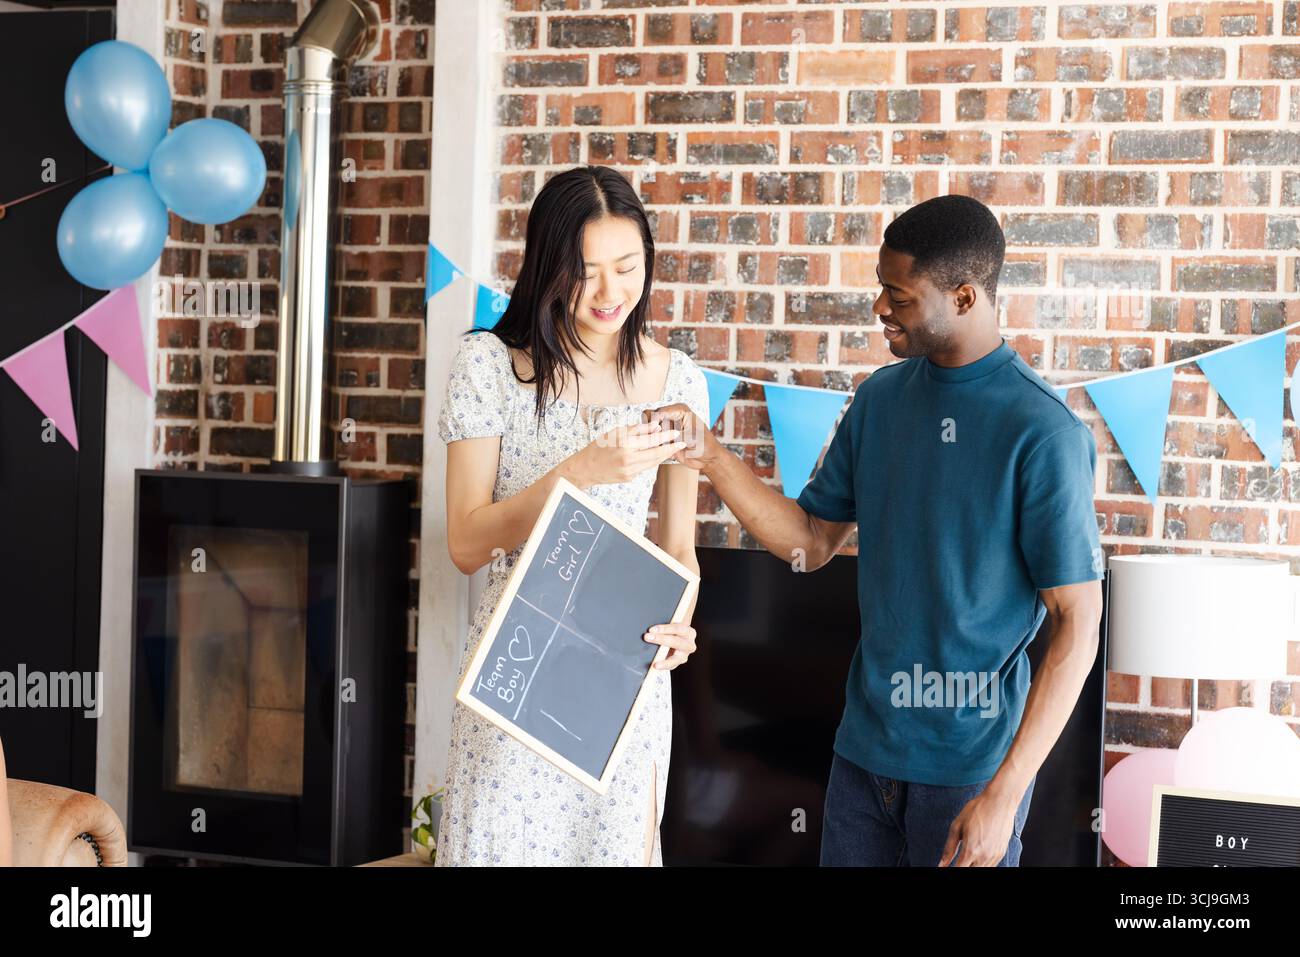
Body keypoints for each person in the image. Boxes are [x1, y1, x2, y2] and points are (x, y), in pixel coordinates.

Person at [649, 194, 1105, 867]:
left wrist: (1005, 795)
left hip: (968, 774)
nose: (880, 308)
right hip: (861, 762)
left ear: (966, 295)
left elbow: (1078, 623)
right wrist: (709, 453)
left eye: (900, 294)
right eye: (880, 287)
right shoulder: (880, 400)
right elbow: (809, 540)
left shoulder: (1042, 434)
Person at [434, 165, 711, 866]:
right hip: (514, 675)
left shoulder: (678, 379)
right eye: (587, 272)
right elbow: (467, 541)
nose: (611, 292)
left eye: (628, 267)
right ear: (549, 267)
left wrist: (682, 620)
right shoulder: (489, 366)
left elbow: (680, 543)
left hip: (624, 685)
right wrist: (574, 476)